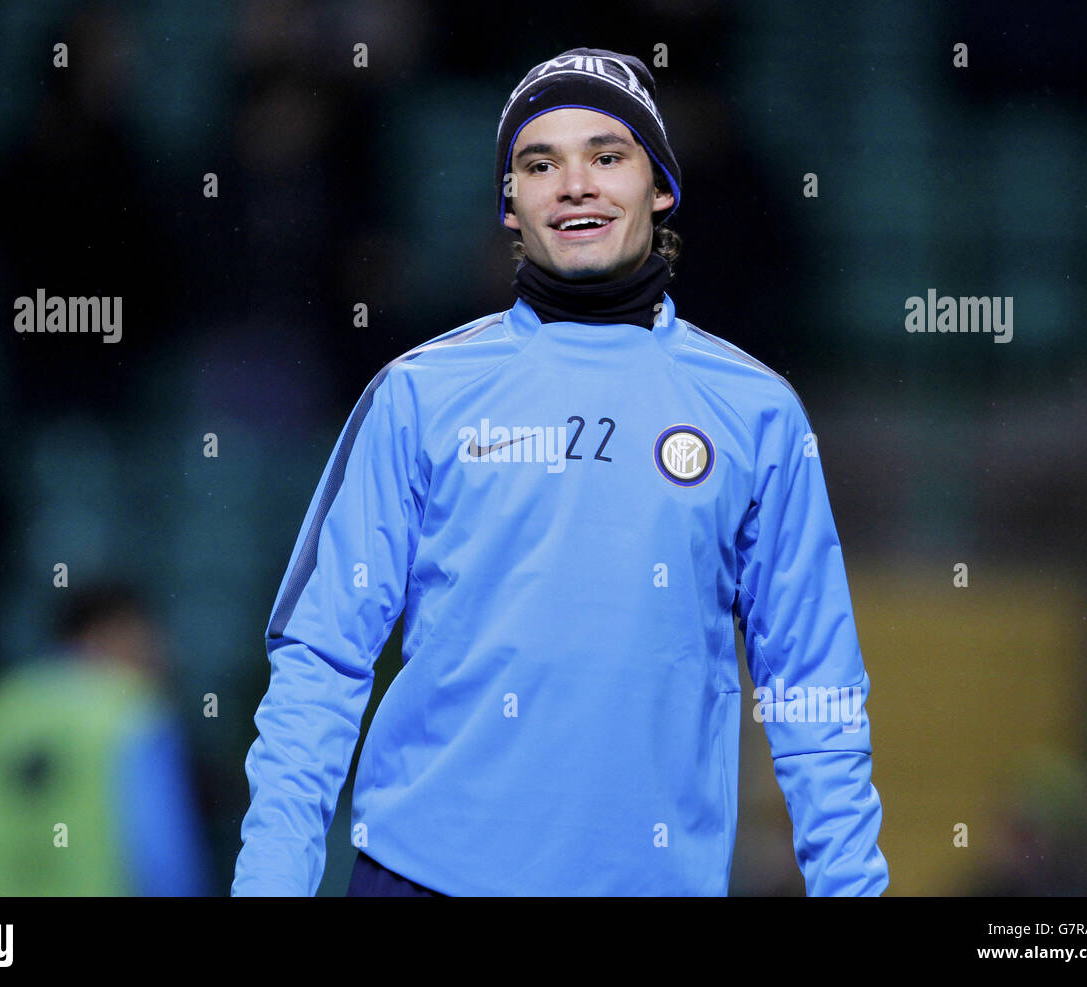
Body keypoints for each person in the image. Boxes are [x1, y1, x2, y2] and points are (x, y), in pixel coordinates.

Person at [233, 48, 889, 896]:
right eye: (540, 164)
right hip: (422, 879)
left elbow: (814, 682)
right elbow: (320, 659)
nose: (574, 184)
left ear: (661, 188)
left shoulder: (757, 412)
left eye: (607, 156)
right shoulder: (418, 396)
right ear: (510, 204)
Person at [0, 583, 209, 896]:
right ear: (102, 630)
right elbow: (162, 856)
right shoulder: (138, 713)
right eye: (144, 637)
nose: (159, 654)